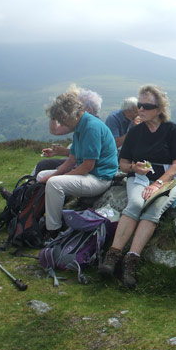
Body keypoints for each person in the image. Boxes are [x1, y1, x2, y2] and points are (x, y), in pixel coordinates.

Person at [98, 85, 176, 289]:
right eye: (139, 105)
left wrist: (158, 184)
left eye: (146, 106)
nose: (141, 109)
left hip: (167, 178)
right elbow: (122, 164)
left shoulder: (172, 130)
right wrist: (133, 168)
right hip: (139, 177)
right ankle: (112, 256)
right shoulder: (135, 132)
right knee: (136, 204)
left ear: (159, 109)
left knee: (154, 208)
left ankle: (131, 262)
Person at [36, 89, 118, 239]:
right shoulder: (80, 126)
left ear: (73, 114)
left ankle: (53, 230)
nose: (62, 123)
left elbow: (88, 166)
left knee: (54, 184)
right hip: (89, 174)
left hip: (99, 178)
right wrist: (53, 175)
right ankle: (39, 215)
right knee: (42, 175)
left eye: (63, 119)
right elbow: (72, 159)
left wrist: (56, 177)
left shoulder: (91, 127)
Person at [34, 87, 104, 176]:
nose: (75, 107)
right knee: (43, 165)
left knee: (43, 166)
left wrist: (63, 152)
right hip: (80, 163)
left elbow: (88, 157)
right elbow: (55, 130)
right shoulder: (79, 123)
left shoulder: (92, 127)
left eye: (79, 105)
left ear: (89, 109)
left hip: (87, 168)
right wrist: (56, 111)